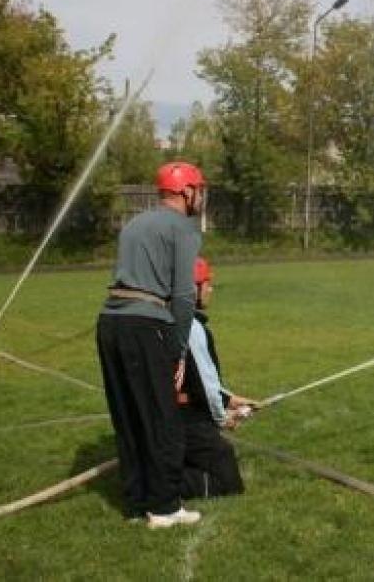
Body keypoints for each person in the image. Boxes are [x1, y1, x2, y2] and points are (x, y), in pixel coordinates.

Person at [96, 161, 206, 529]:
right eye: (199, 189)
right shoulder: (184, 228)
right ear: (186, 191)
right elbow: (185, 295)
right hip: (146, 326)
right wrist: (176, 352)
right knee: (163, 420)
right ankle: (164, 507)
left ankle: (136, 502)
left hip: (110, 324)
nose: (201, 197)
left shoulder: (134, 224)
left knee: (128, 417)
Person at [178, 256, 257, 500]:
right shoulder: (191, 328)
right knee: (228, 480)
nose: (211, 289)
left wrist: (230, 399)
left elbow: (197, 380)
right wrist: (223, 417)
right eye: (207, 284)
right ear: (193, 289)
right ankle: (158, 482)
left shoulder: (171, 320)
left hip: (174, 415)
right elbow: (203, 384)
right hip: (184, 420)